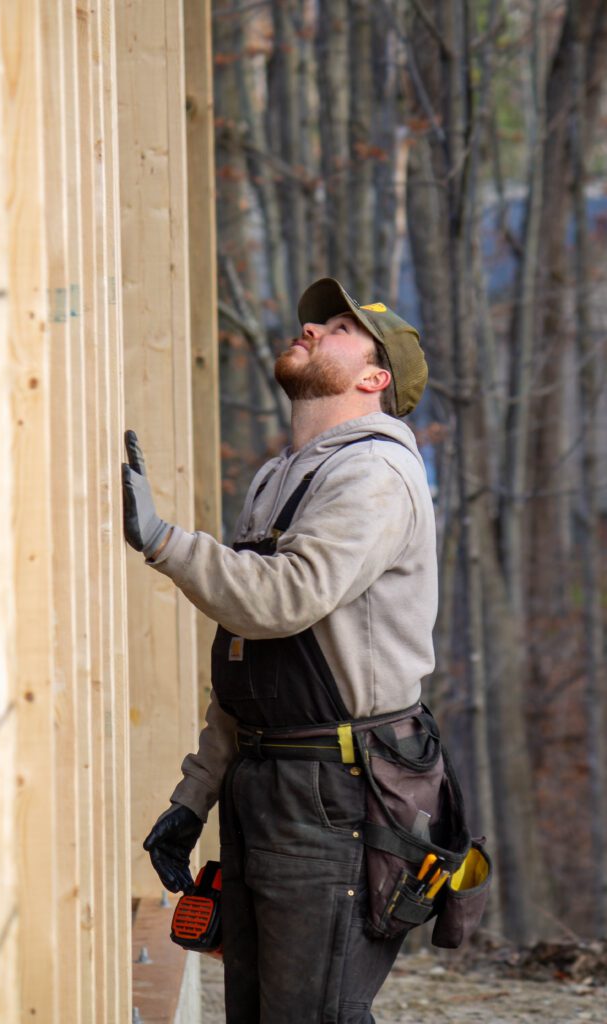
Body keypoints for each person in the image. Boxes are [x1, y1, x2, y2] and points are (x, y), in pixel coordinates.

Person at [122, 277, 437, 1024]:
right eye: (316, 320)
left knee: (310, 1012)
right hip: (270, 777)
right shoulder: (284, 475)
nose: (311, 329)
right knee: (258, 1009)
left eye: (336, 327)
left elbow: (281, 598)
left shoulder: (374, 474)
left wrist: (163, 541)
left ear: (374, 377)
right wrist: (193, 798)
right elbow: (251, 665)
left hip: (335, 793)